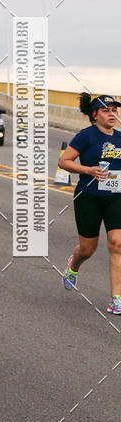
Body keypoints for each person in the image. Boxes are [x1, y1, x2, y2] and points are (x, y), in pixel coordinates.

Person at [60, 94, 121, 314]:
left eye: (114, 109)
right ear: (95, 115)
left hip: (116, 197)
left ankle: (116, 299)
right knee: (88, 249)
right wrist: (88, 170)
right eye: (106, 110)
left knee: (117, 243)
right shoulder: (85, 136)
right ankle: (73, 266)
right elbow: (64, 161)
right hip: (88, 196)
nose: (112, 113)